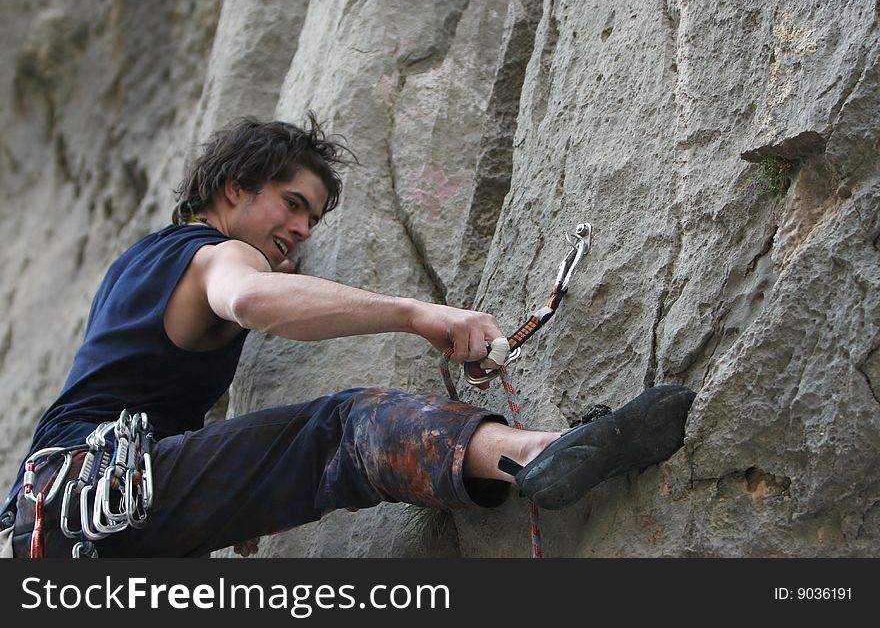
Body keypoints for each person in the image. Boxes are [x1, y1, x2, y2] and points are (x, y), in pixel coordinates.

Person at [0, 115, 695, 558]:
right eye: (293, 204)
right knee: (343, 428)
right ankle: (540, 451)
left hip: (72, 516)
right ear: (234, 189)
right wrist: (418, 312)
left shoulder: (138, 266)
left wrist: (224, 498)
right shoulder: (209, 253)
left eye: (314, 219)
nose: (302, 230)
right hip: (91, 496)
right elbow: (249, 297)